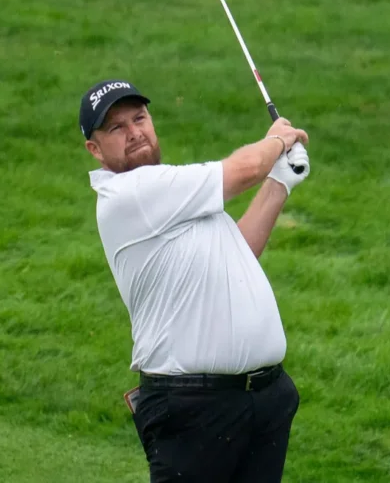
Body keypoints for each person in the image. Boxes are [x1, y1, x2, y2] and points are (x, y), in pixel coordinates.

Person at [79, 78, 311, 483]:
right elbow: (242, 170)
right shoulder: (130, 195)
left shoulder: (173, 194)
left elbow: (236, 254)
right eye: (116, 128)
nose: (135, 132)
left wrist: (279, 182)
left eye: (139, 118)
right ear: (94, 150)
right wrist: (277, 140)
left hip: (262, 399)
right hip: (193, 406)